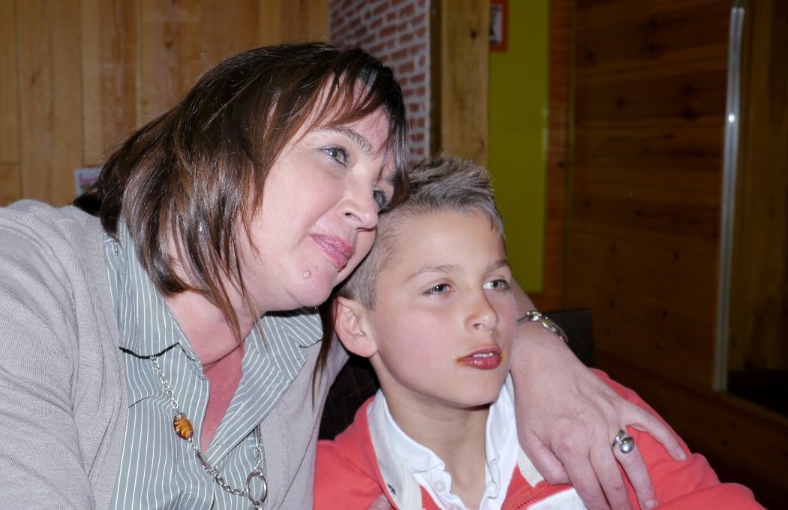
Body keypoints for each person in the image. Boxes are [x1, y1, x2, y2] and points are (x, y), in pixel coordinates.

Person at [0, 43, 679, 510]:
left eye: (379, 190)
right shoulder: (9, 283)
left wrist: (540, 349)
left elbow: (454, 271)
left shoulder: (301, 334)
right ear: (220, 139)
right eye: (337, 154)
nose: (366, 208)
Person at [313, 156, 762, 509]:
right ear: (356, 325)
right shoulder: (326, 485)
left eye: (496, 283)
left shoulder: (587, 413)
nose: (486, 314)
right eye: (440, 288)